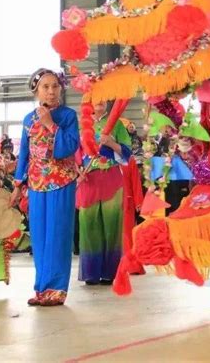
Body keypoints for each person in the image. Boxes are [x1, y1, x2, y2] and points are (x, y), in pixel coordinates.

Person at [10, 68, 79, 306]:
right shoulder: (29, 119)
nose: (51, 91)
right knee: (39, 237)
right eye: (45, 87)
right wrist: (18, 186)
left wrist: (50, 124)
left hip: (61, 182)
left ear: (61, 89)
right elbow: (24, 155)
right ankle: (41, 289)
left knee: (58, 235)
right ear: (36, 90)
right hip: (37, 184)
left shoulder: (68, 116)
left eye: (55, 86)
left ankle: (57, 290)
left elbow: (69, 147)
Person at [76, 100, 131, 285]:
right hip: (88, 179)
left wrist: (112, 144)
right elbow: (73, 153)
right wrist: (77, 170)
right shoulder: (81, 124)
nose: (98, 103)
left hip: (111, 177)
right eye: (94, 99)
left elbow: (127, 153)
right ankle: (91, 273)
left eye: (102, 98)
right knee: (88, 224)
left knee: (112, 225)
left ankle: (110, 273)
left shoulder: (117, 123)